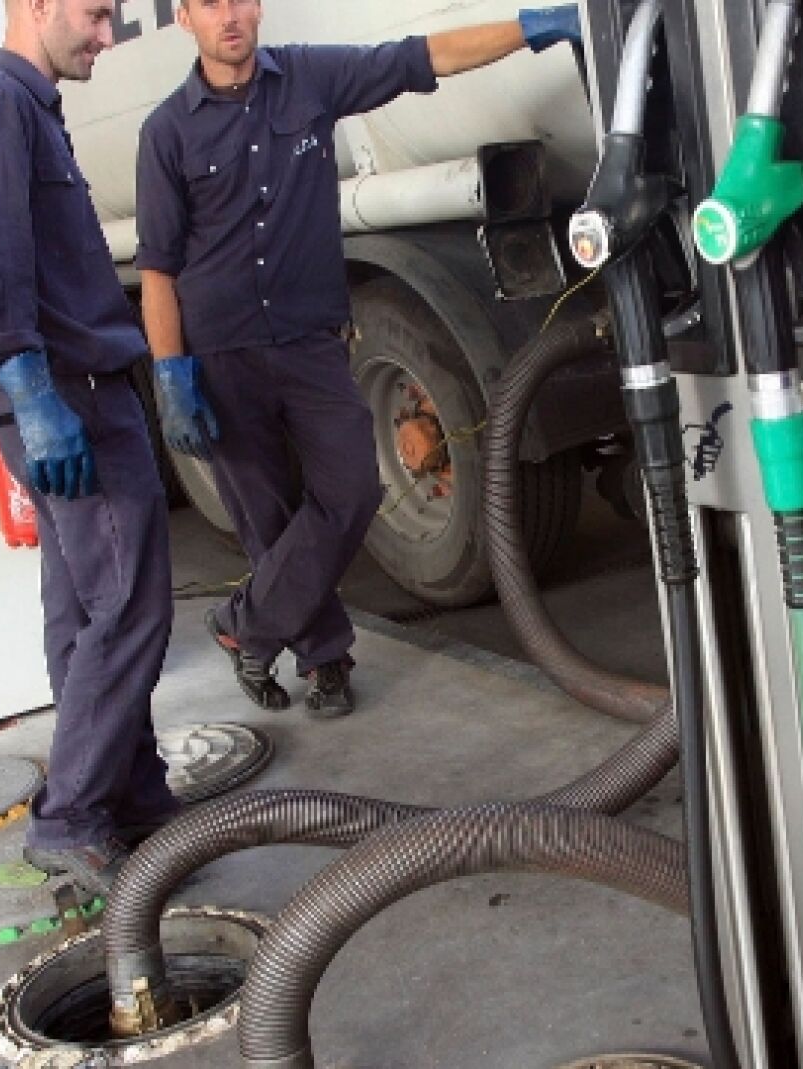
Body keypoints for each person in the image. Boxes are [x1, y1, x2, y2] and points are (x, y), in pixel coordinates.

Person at [134, 1, 580, 719]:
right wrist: (170, 371)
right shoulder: (165, 133)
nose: (230, 16)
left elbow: (421, 57)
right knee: (267, 519)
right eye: (209, 2)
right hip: (222, 354)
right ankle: (325, 660)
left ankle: (243, 625)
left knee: (352, 492)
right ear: (184, 16)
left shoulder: (311, 77)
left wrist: (527, 30)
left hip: (312, 342)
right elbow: (157, 270)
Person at [0, 0, 178, 896]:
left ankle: (129, 794)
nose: (107, 38)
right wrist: (34, 394)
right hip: (66, 395)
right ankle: (72, 815)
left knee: (83, 613)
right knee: (130, 607)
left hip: (74, 391)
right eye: (96, 14)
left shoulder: (31, 109)